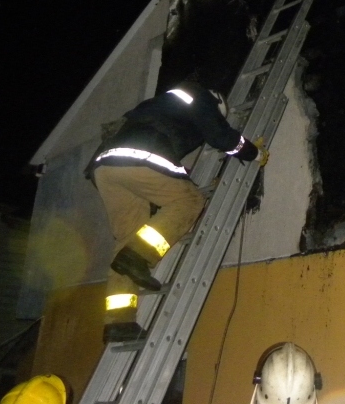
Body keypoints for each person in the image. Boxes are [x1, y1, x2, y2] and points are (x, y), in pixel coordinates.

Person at [85, 83, 262, 343]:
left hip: (104, 168)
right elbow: (219, 136)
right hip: (138, 156)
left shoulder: (160, 106)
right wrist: (253, 152)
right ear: (217, 101)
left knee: (127, 238)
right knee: (189, 201)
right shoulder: (199, 95)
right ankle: (140, 256)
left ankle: (119, 322)